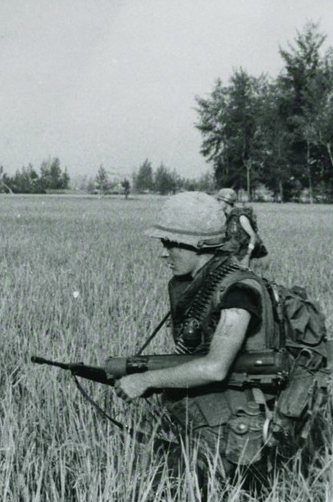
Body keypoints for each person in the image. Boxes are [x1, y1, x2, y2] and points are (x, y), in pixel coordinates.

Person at [113, 191, 286, 482]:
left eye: (171, 244)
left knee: (167, 489)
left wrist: (144, 380)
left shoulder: (238, 292)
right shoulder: (202, 283)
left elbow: (215, 367)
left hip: (242, 422)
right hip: (220, 410)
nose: (163, 252)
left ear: (200, 245)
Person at [216, 188, 263, 268]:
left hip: (242, 255)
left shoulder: (241, 217)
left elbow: (253, 236)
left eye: (220, 201)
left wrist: (247, 256)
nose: (218, 203)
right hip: (232, 252)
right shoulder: (227, 216)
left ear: (227, 202)